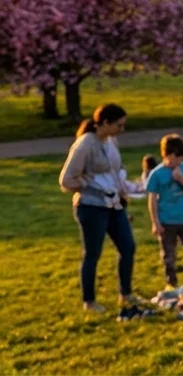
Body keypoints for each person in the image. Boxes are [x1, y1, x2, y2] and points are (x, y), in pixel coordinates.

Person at [59, 104, 139, 313]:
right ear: (105, 123)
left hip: (114, 205)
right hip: (92, 207)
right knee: (93, 253)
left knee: (128, 247)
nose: (122, 129)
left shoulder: (111, 141)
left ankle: (126, 294)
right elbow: (66, 180)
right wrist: (89, 185)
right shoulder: (85, 144)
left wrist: (123, 190)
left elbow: (115, 169)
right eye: (119, 125)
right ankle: (89, 301)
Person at [146, 134, 183, 289]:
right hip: (166, 221)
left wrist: (182, 179)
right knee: (168, 255)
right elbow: (152, 200)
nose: (181, 160)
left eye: (182, 156)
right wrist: (155, 222)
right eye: (178, 157)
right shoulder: (157, 174)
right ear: (168, 155)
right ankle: (171, 283)